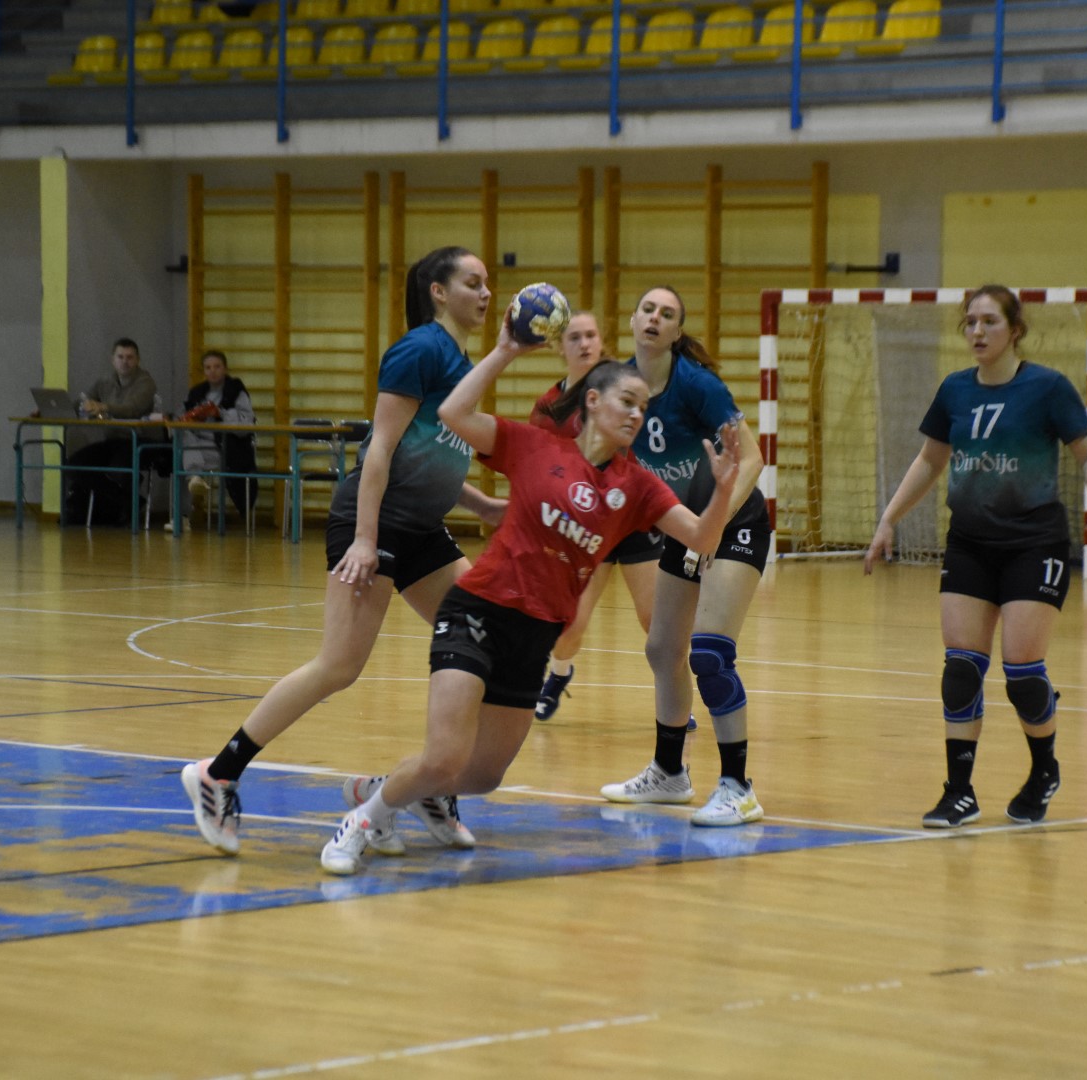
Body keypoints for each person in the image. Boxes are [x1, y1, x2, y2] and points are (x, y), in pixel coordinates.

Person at [318, 339, 744, 875]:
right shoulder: (535, 446)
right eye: (626, 401)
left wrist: (722, 490)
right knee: (444, 756)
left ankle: (393, 790)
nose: (637, 414)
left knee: (482, 777)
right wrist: (504, 350)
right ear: (592, 401)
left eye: (643, 406)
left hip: (536, 635)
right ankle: (362, 821)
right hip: (477, 612)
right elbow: (453, 412)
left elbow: (702, 538)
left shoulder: (637, 486)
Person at [180, 246, 510, 857]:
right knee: (338, 665)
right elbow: (380, 448)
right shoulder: (420, 349)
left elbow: (428, 452)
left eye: (488, 283)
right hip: (377, 523)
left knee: (487, 636)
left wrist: (480, 504)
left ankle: (427, 784)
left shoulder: (456, 357)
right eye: (473, 282)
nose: (486, 293)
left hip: (421, 528)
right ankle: (217, 773)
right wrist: (364, 538)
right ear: (439, 292)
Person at [863, 284, 1087, 827]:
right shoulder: (955, 389)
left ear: (1015, 330)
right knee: (960, 669)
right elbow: (930, 460)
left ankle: (1044, 770)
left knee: (1022, 674)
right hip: (970, 542)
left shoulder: (1046, 387)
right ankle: (959, 792)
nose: (977, 331)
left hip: (1034, 542)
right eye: (970, 322)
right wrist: (889, 519)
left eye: (989, 322)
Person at [599, 287, 772, 828]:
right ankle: (670, 773)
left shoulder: (697, 386)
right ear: (633, 321)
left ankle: (738, 788)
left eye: (667, 313)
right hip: (686, 527)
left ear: (677, 331)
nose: (655, 318)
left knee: (711, 652)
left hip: (735, 524)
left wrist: (713, 527)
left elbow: (753, 459)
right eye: (648, 309)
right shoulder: (621, 387)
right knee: (662, 649)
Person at [529, 312, 662, 721]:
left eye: (591, 335)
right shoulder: (549, 408)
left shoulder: (622, 386)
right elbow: (539, 470)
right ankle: (559, 673)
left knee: (656, 622)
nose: (585, 343)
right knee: (570, 626)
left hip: (630, 516)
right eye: (575, 337)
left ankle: (673, 698)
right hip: (584, 525)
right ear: (559, 347)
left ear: (601, 341)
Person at [65, 338, 162, 526]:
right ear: (113, 359)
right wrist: (68, 407)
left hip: (140, 441)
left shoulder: (146, 383)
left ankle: (125, 505)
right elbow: (83, 401)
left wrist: (102, 406)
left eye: (130, 357)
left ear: (137, 360)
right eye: (120, 357)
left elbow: (132, 409)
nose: (125, 361)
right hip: (114, 440)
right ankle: (126, 499)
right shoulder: (104, 381)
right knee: (75, 465)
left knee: (119, 468)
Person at [173, 349, 258, 530]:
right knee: (181, 443)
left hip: (223, 446)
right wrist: (189, 417)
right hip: (196, 444)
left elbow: (247, 425)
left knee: (181, 460)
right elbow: (179, 417)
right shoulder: (196, 392)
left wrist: (221, 413)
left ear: (225, 369)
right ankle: (192, 481)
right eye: (208, 367)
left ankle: (182, 514)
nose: (212, 371)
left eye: (217, 366)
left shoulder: (236, 391)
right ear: (203, 370)